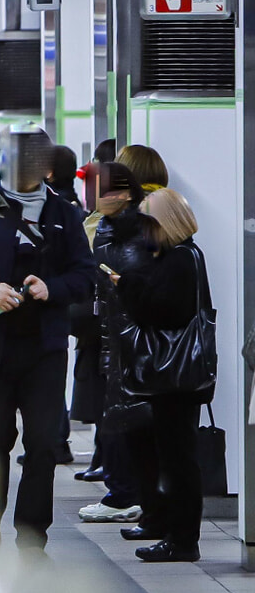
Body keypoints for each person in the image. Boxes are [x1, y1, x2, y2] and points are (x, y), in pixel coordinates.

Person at [0, 125, 96, 550]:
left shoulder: (65, 215)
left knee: (43, 445)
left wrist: (53, 289)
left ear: (45, 166)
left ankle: (31, 537)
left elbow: (85, 275)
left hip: (44, 350)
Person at [107, 188, 212, 562]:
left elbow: (162, 310)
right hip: (182, 374)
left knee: (177, 457)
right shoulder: (187, 256)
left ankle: (182, 539)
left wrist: (129, 286)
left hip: (173, 377)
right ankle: (177, 533)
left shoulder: (179, 260)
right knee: (176, 455)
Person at [75, 163, 150, 523]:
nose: (95, 197)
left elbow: (127, 280)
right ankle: (125, 492)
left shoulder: (131, 230)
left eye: (102, 190)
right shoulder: (106, 227)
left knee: (124, 417)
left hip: (130, 335)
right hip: (112, 333)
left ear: (124, 193)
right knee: (115, 415)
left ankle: (126, 495)